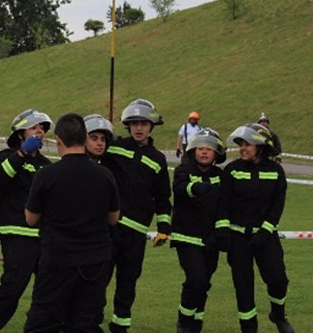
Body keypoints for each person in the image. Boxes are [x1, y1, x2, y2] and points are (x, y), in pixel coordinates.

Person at [23, 113, 120, 332]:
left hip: (58, 259)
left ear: (58, 139)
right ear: (85, 138)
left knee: (43, 322)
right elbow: (113, 218)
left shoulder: (47, 175)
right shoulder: (105, 175)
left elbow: (30, 219)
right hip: (94, 261)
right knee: (85, 322)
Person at [0, 109, 53, 333]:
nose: (39, 132)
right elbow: (0, 184)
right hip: (16, 232)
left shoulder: (47, 165)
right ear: (20, 134)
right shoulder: (6, 156)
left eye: (42, 129)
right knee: (14, 285)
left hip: (43, 235)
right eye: (33, 128)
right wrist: (20, 155)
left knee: (47, 288)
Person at [102, 98, 172, 333]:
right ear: (127, 126)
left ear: (152, 126)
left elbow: (163, 197)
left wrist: (164, 228)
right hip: (110, 228)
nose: (138, 128)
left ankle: (120, 325)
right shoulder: (114, 147)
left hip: (136, 233)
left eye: (143, 123)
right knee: (98, 278)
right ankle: (89, 321)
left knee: (128, 282)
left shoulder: (158, 159)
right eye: (134, 124)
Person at [221, 123, 294, 333]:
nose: (242, 148)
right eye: (240, 144)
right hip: (238, 239)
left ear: (260, 147)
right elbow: (223, 205)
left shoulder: (276, 172)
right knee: (244, 288)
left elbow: (277, 206)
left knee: (278, 279)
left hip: (265, 237)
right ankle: (249, 328)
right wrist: (225, 233)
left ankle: (278, 315)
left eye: (247, 144)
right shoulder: (232, 170)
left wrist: (263, 232)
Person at [170, 128, 228, 333]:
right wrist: (194, 189)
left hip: (211, 239)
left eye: (209, 149)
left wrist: (221, 232)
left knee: (205, 283)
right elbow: (179, 188)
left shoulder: (220, 176)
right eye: (200, 148)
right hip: (186, 236)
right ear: (193, 151)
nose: (204, 152)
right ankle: (184, 321)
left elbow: (224, 206)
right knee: (196, 279)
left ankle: (196, 322)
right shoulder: (183, 170)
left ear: (217, 153)